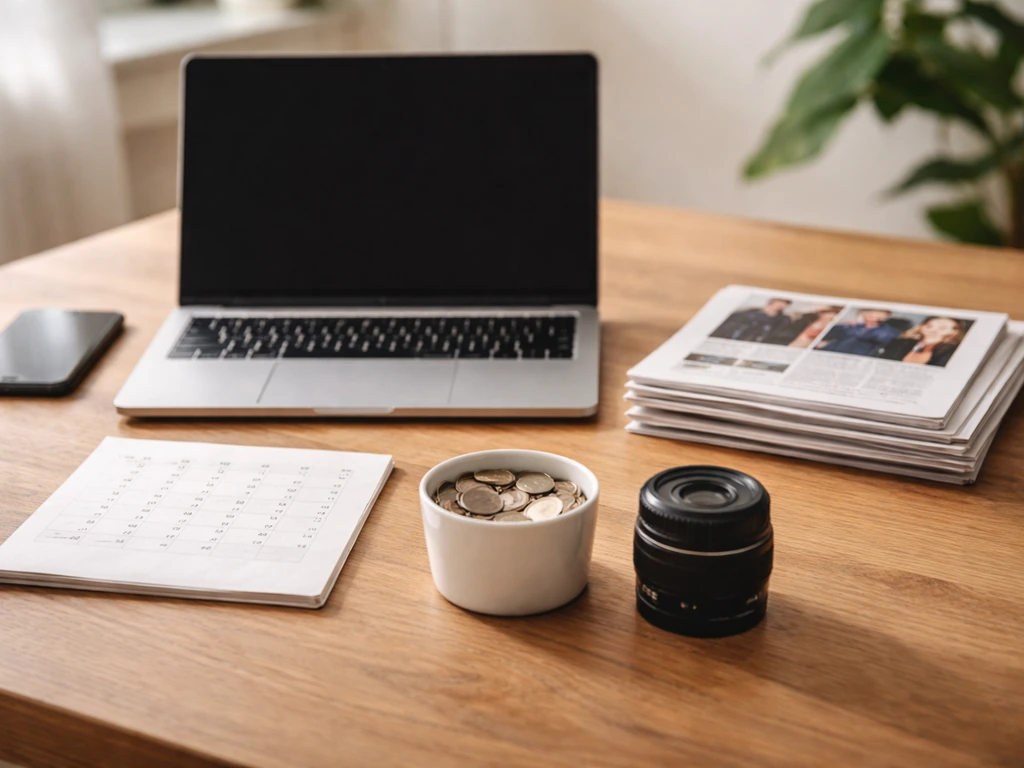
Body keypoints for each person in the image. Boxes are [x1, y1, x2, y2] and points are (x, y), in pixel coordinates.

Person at [875, 316, 966, 367]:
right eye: (929, 326)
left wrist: (930, 346)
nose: (933, 330)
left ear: (955, 332)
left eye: (942, 328)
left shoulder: (953, 351)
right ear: (921, 327)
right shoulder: (900, 343)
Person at [816, 309, 900, 357]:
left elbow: (878, 338)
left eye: (880, 314)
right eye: (871, 313)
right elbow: (835, 333)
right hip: (832, 353)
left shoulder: (889, 331)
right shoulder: (854, 326)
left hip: (857, 357)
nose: (874, 316)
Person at [710, 298, 792, 343]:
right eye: (777, 306)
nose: (777, 310)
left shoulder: (782, 320)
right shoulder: (745, 314)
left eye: (782, 308)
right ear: (769, 304)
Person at [765, 306, 840, 348]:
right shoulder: (806, 320)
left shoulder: (835, 327)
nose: (832, 315)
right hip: (791, 344)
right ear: (820, 313)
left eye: (835, 313)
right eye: (829, 313)